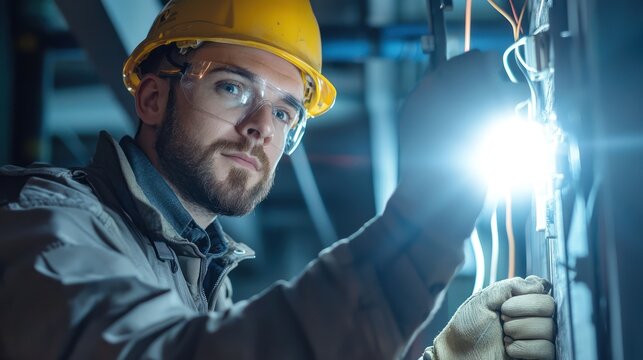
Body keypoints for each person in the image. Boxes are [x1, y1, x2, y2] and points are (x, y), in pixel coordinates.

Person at [0, 0, 555, 359]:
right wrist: (419, 225)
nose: (260, 128)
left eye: (285, 112)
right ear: (152, 96)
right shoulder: (48, 224)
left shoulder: (201, 282)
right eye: (233, 88)